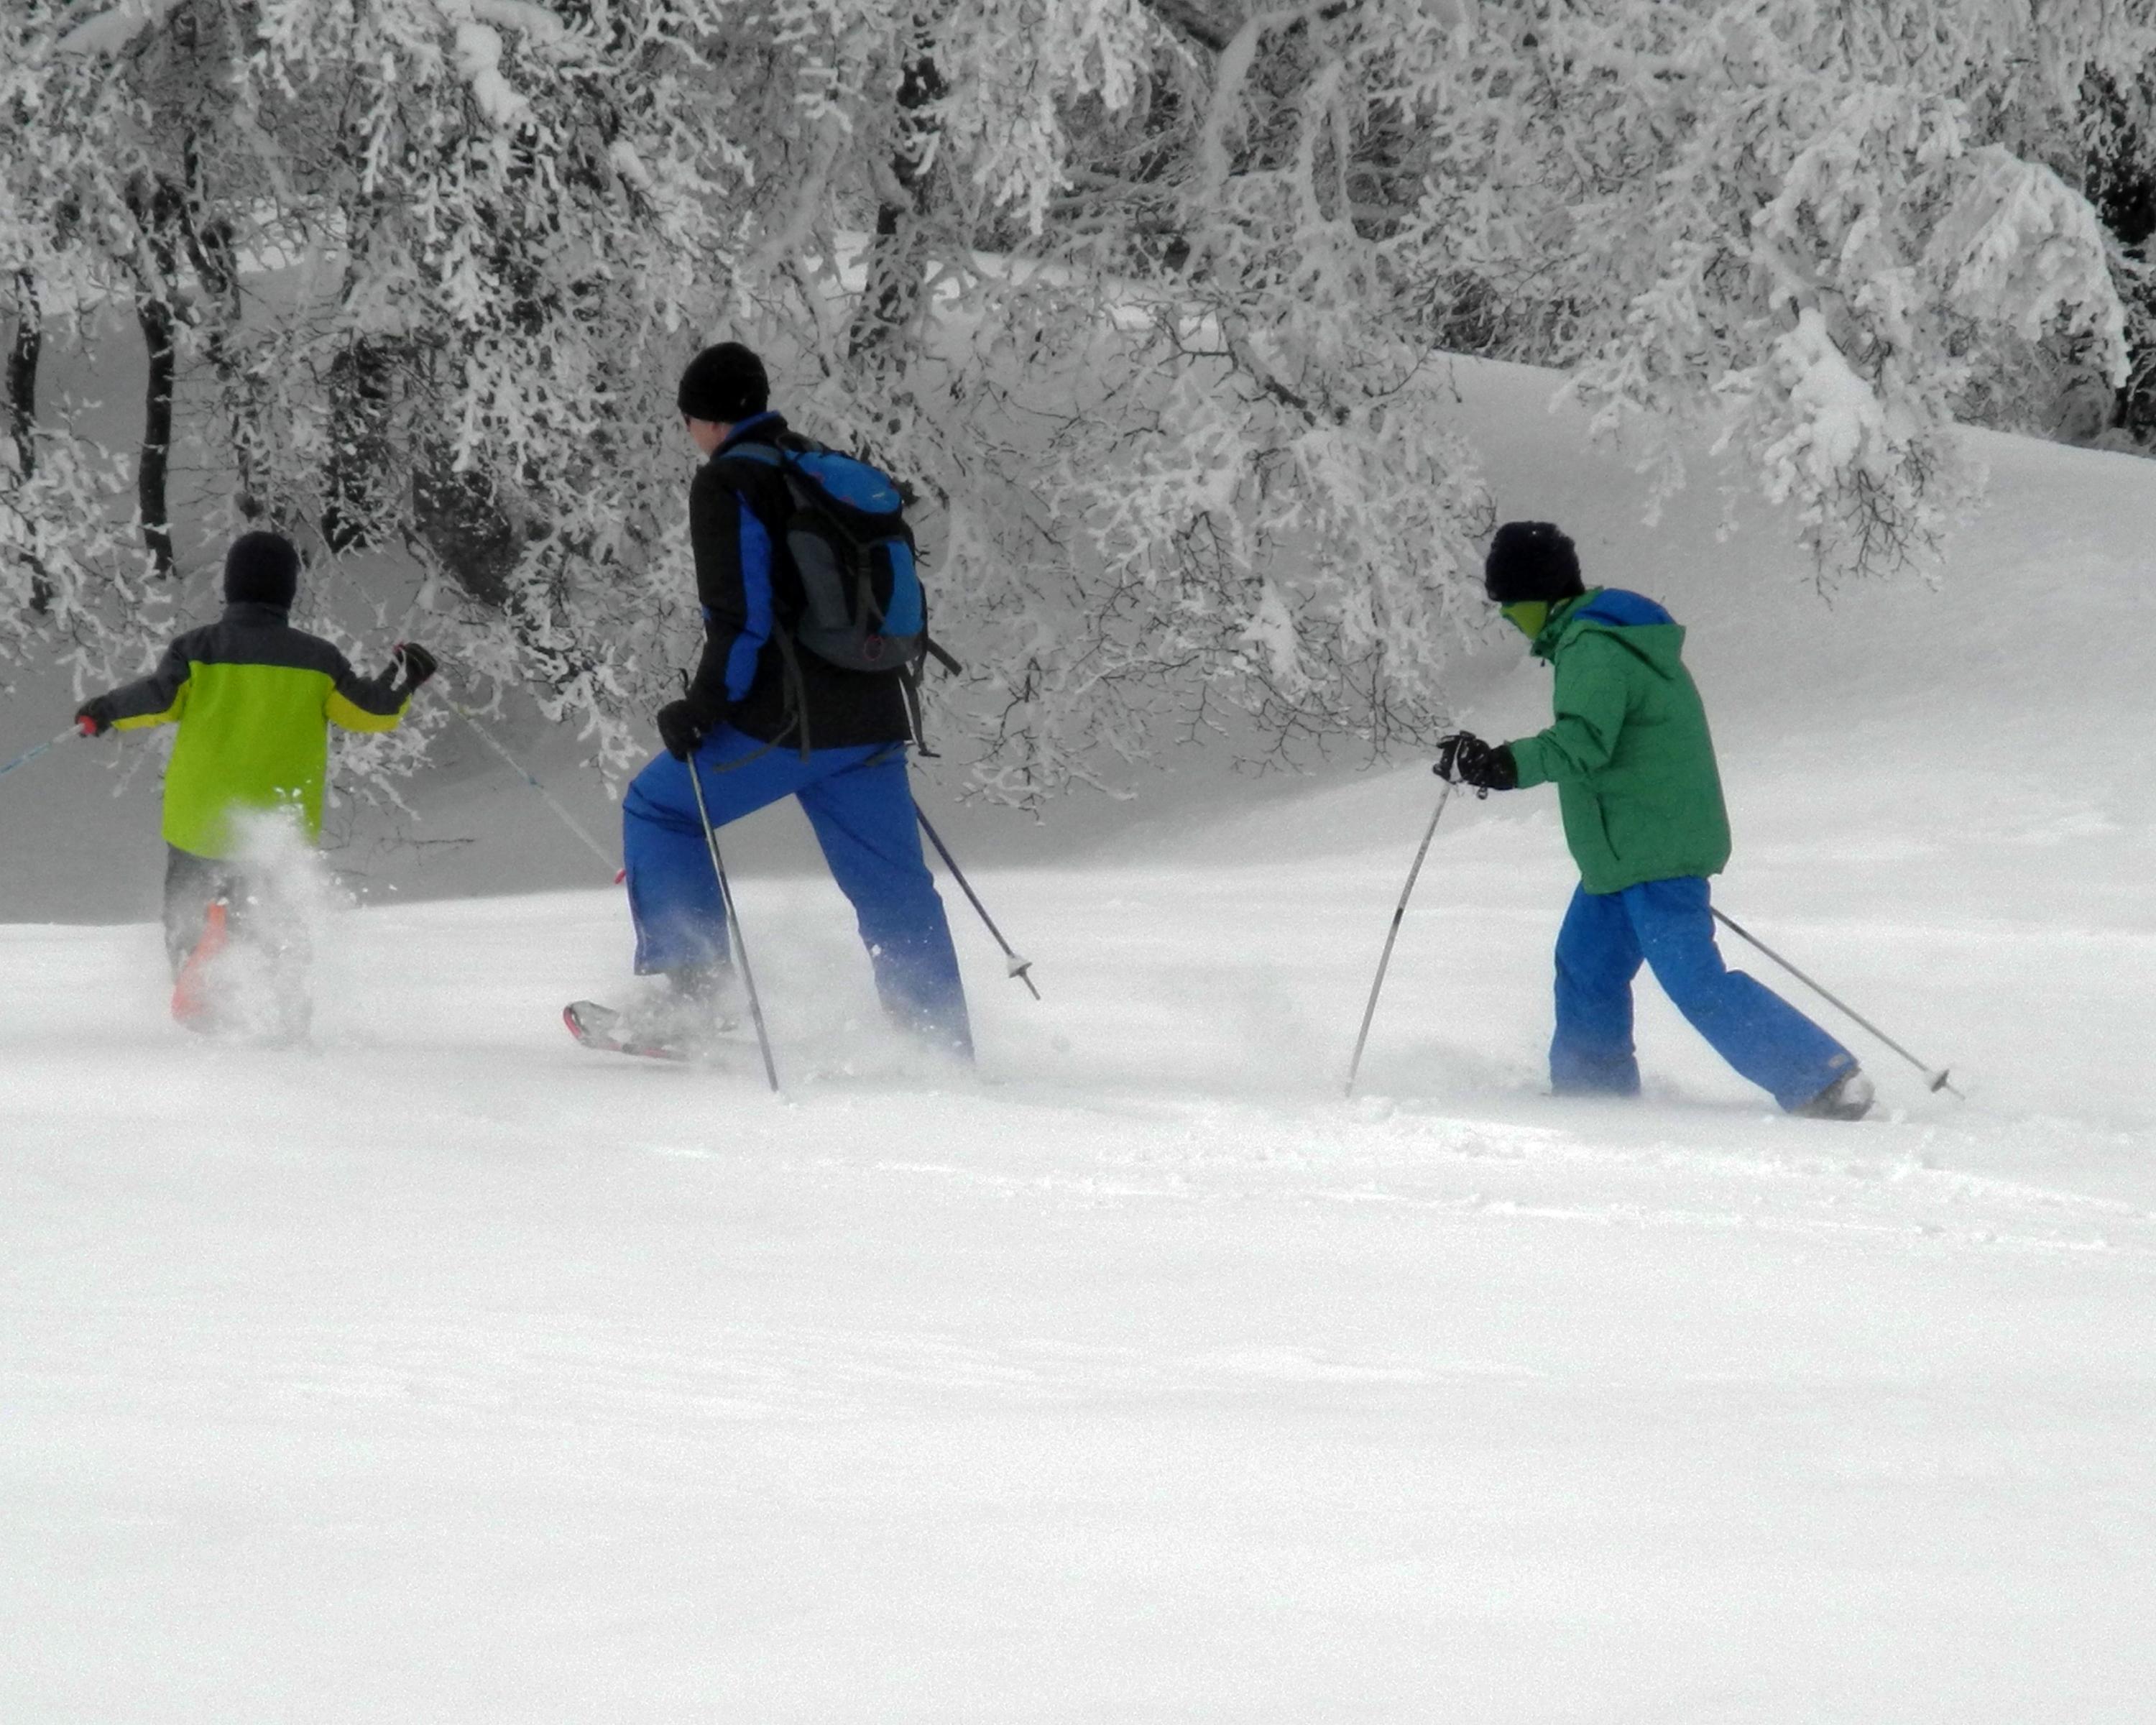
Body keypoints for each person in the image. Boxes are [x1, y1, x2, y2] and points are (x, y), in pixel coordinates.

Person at [599, 340, 972, 1059]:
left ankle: (692, 1004)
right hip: (874, 713)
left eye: (687, 419)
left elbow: (740, 617)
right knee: (895, 889)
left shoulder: (730, 482)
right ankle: (939, 1044)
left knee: (659, 809)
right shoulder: (824, 468)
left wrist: (704, 707)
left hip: (786, 723)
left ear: (707, 419)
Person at [1434, 520, 1871, 1120]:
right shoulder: (1601, 639)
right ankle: (1593, 1095)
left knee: (1695, 981)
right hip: (1622, 853)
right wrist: (1498, 763)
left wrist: (1502, 765)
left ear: (1540, 595)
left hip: (1652, 848)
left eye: (1511, 602)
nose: (1507, 615)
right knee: (1586, 968)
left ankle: (1823, 1080)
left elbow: (1584, 742)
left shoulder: (1594, 647)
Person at [75, 530, 436, 1033]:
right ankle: (273, 997)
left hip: (199, 817)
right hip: (275, 826)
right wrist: (405, 674)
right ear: (288, 590)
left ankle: (196, 965)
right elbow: (369, 712)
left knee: (187, 909)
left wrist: (104, 711)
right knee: (272, 916)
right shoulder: (318, 659)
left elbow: (158, 698)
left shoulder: (197, 650)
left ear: (231, 586)